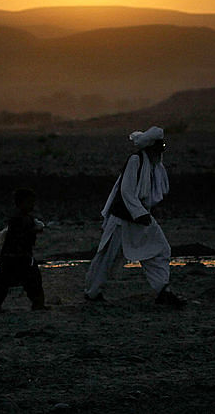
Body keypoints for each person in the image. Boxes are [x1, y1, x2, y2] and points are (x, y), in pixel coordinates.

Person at [84, 126, 184, 307]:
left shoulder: (153, 165)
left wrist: (143, 213)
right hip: (123, 219)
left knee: (160, 250)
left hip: (140, 218)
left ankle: (163, 291)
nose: (161, 150)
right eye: (159, 146)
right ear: (151, 146)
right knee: (108, 257)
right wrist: (140, 213)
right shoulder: (135, 160)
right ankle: (92, 293)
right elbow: (127, 191)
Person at [0, 188, 47, 314]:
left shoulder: (24, 218)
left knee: (30, 281)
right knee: (15, 282)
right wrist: (34, 231)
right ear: (20, 203)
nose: (32, 205)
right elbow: (18, 236)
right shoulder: (18, 219)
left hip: (17, 255)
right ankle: (37, 304)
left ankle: (38, 304)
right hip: (16, 256)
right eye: (29, 202)